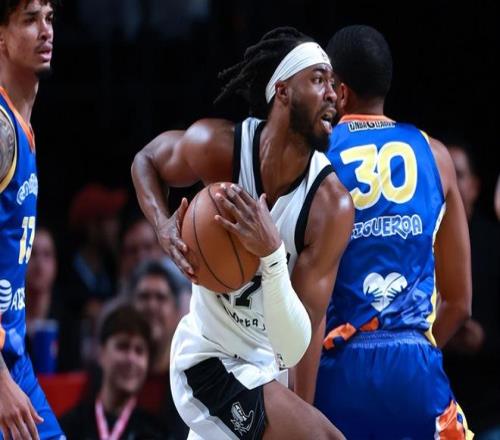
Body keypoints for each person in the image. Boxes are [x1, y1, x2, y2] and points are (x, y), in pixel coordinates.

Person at [132, 26, 353, 439]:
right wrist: (163, 226)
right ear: (282, 91)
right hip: (206, 360)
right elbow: (147, 160)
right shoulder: (218, 149)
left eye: (334, 84)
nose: (333, 94)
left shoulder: (330, 208)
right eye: (318, 79)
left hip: (265, 370)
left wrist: (272, 256)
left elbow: (296, 346)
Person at [311, 25, 473, 439]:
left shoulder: (314, 156)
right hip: (414, 366)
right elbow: (459, 302)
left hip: (336, 366)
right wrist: (413, 354)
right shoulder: (435, 154)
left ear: (339, 91)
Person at [0, 1, 65, 438]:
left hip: (14, 357)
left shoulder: (19, 124)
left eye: (49, 18)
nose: (46, 30)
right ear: (1, 38)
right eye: (29, 20)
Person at [444, 141, 500, 436]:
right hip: (435, 406)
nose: (451, 183)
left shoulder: (494, 245)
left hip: (490, 410)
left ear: (476, 187)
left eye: (459, 174)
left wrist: (483, 340)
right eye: (445, 174)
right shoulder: (416, 242)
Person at [60, 303, 164, 440]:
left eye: (139, 351)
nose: (131, 359)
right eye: (123, 346)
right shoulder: (68, 428)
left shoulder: (158, 433)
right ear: (100, 352)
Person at [129, 260, 188, 439]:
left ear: (177, 312)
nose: (151, 306)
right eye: (144, 297)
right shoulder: (112, 376)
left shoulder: (191, 379)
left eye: (161, 297)